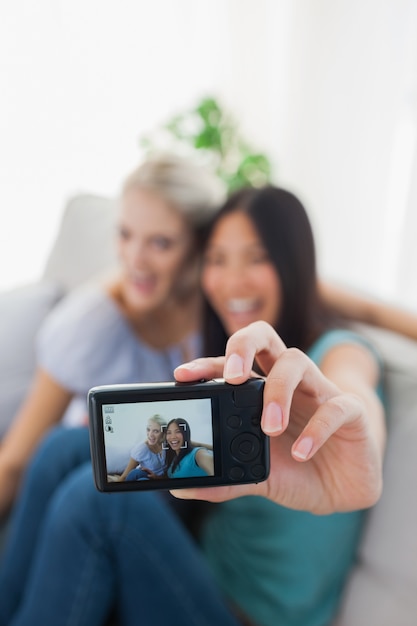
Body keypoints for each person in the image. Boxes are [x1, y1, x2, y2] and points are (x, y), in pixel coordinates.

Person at [0, 185, 386, 626]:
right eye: (217, 260)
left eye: (256, 258)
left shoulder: (339, 352)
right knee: (65, 447)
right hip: (191, 563)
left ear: (292, 264)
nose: (232, 281)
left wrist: (362, 451)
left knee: (104, 503)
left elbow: (355, 398)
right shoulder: (237, 360)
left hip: (241, 614)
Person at [0, 151, 224, 519]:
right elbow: (14, 463)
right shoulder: (92, 323)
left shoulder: (218, 301)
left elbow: (298, 281)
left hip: (169, 514)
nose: (135, 259)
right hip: (81, 503)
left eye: (161, 243)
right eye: (125, 234)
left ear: (200, 247)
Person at [113, 415, 167, 482]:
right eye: (148, 430)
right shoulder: (141, 449)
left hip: (163, 479)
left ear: (163, 432)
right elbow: (125, 476)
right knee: (140, 477)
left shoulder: (167, 444)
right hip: (147, 478)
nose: (150, 435)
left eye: (156, 431)